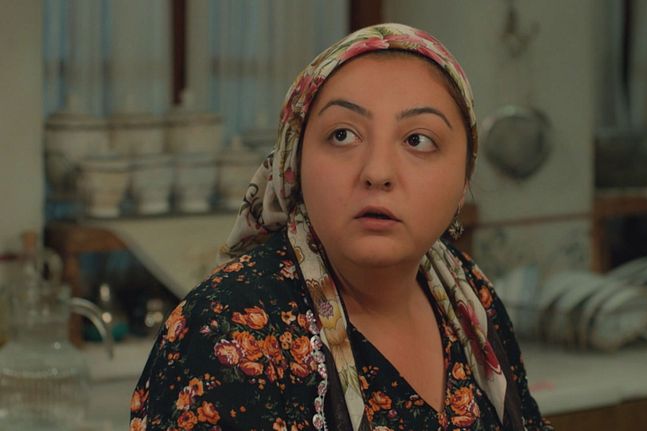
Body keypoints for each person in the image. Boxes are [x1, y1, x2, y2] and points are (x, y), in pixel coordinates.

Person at [130, 23, 552, 431]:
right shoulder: (230, 327)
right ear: (293, 165)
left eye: (418, 140)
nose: (377, 172)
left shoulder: (466, 295)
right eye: (343, 135)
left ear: (463, 180)